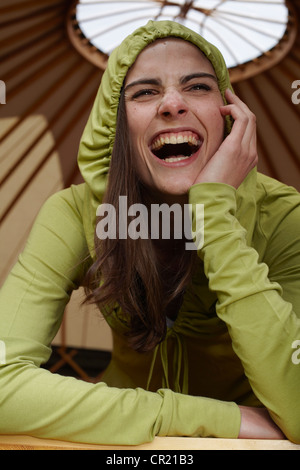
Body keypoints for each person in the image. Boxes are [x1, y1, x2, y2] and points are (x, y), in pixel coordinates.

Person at [0, 20, 299, 445]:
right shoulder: (74, 213)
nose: (172, 104)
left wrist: (214, 213)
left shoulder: (285, 216)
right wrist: (199, 416)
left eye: (197, 87)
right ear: (115, 123)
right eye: (144, 92)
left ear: (230, 117)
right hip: (126, 444)